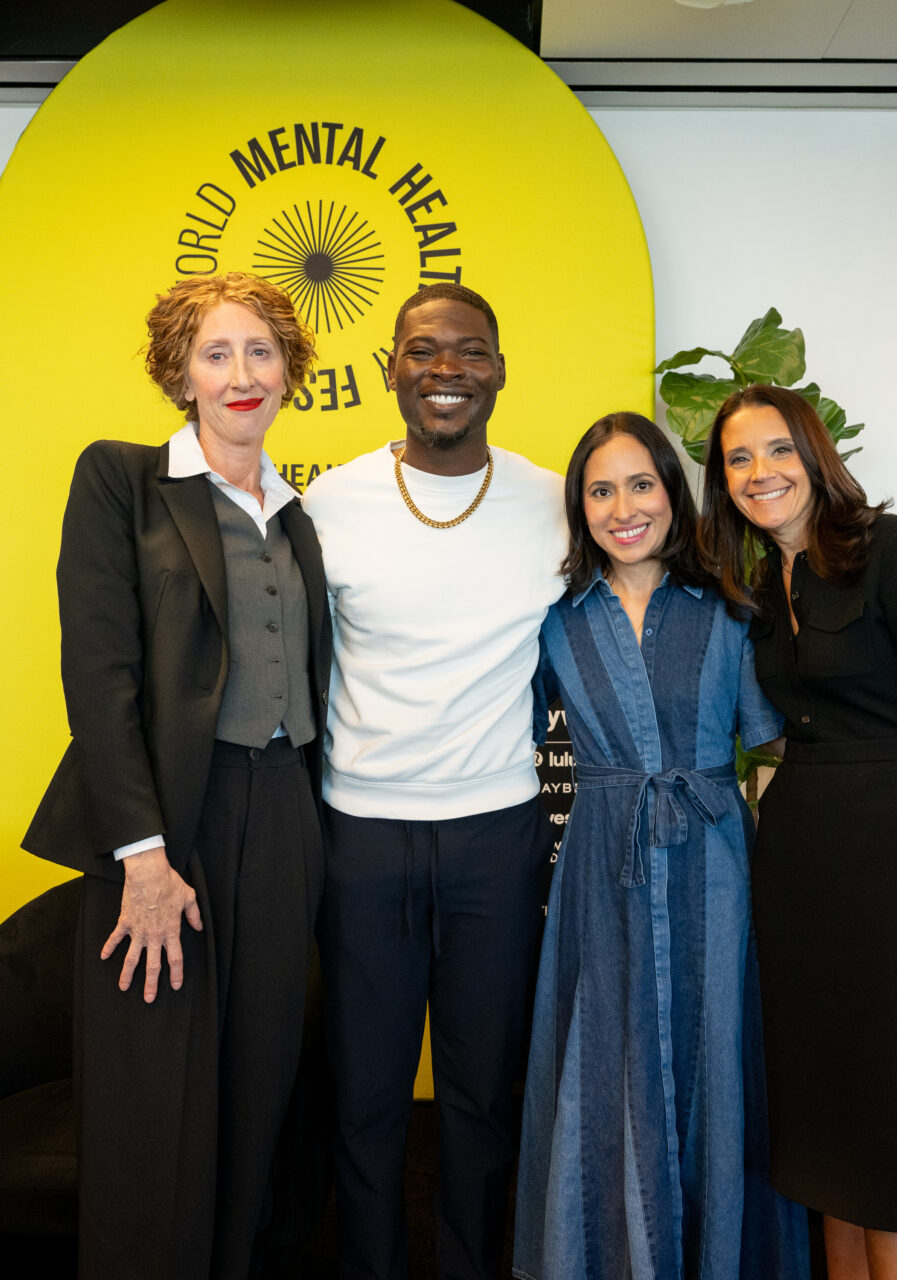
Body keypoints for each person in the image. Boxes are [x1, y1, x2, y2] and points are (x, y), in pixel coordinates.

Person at [22, 272, 331, 1280]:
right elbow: (98, 672)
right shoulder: (123, 478)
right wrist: (144, 856)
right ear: (179, 372)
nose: (242, 375)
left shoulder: (299, 516)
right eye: (216, 352)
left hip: (284, 810)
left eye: (261, 351)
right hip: (164, 824)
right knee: (154, 1104)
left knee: (258, 1091)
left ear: (290, 369)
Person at [701, 383, 897, 1280]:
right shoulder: (761, 578)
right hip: (800, 875)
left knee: (894, 1150)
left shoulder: (895, 554)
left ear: (815, 455)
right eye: (739, 459)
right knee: (827, 1148)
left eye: (778, 450)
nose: (761, 473)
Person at [301, 283, 566, 1280]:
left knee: (480, 1096)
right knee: (364, 1097)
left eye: (468, 350)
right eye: (423, 350)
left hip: (496, 837)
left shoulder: (552, 499)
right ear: (388, 369)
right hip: (360, 838)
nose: (445, 369)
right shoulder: (331, 502)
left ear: (500, 367)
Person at [513, 413, 811, 1280]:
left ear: (673, 496)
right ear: (581, 509)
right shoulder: (557, 623)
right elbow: (525, 740)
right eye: (600, 491)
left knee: (717, 1059)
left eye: (641, 483)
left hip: (718, 861)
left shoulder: (731, 611)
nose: (623, 507)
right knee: (603, 1063)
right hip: (601, 864)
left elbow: (766, 748)